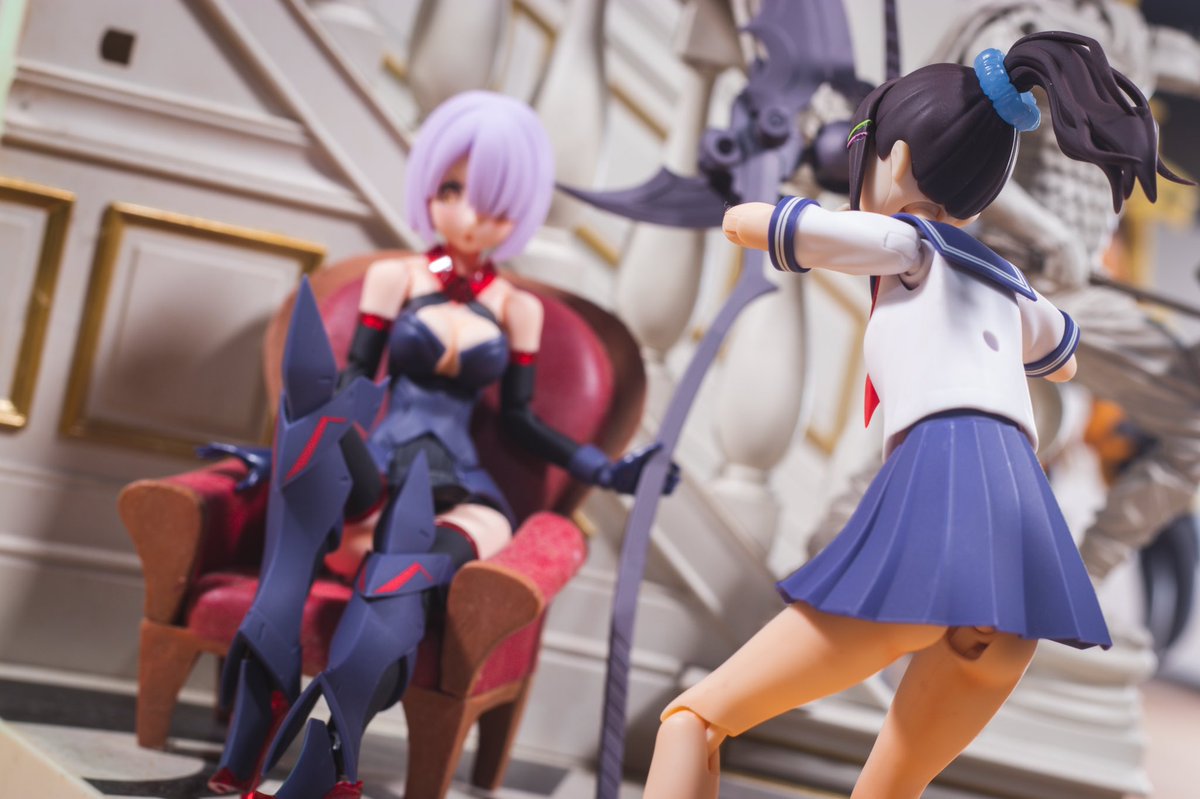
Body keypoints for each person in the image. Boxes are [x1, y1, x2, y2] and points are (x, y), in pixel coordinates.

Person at [643, 32, 1184, 799]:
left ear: (894, 162)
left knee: (694, 718)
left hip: (943, 508)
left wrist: (745, 214)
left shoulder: (910, 242)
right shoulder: (1009, 284)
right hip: (1019, 554)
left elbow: (792, 228)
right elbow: (1061, 351)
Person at [207, 91, 672, 799]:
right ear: (429, 189)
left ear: (519, 211)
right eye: (452, 190)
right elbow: (351, 382)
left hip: (463, 487)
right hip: (377, 473)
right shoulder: (394, 279)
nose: (470, 215)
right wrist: (295, 449)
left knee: (404, 575)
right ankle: (259, 728)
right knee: (322, 486)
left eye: (493, 202)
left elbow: (520, 421)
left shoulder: (518, 308)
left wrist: (605, 471)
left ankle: (332, 763)